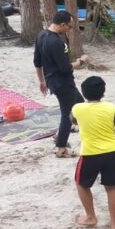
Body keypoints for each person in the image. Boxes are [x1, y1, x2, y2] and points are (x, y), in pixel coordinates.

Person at [70, 75, 115, 229]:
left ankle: (91, 217)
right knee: (111, 187)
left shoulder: (77, 108)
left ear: (83, 93)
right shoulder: (111, 108)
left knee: (81, 184)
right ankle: (114, 223)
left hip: (90, 153)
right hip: (111, 151)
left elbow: (74, 121)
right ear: (103, 92)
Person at [33, 10, 88, 158]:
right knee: (67, 115)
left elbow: (37, 62)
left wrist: (41, 81)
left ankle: (61, 134)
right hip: (62, 83)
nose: (69, 30)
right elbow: (65, 68)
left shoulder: (41, 35)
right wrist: (81, 61)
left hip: (52, 81)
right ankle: (61, 147)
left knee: (80, 103)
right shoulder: (57, 42)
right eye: (69, 27)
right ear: (62, 24)